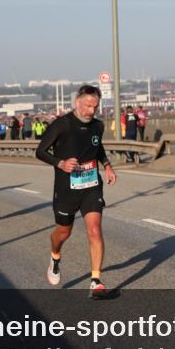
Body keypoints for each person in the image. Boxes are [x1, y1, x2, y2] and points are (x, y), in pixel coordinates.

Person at [36, 85, 117, 298]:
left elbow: (97, 147)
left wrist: (107, 165)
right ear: (77, 103)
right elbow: (40, 151)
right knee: (63, 232)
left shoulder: (98, 126)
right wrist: (60, 163)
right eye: (88, 106)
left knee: (95, 230)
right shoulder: (62, 125)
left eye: (96, 106)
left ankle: (96, 282)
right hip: (66, 189)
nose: (92, 111)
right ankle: (55, 256)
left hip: (91, 185)